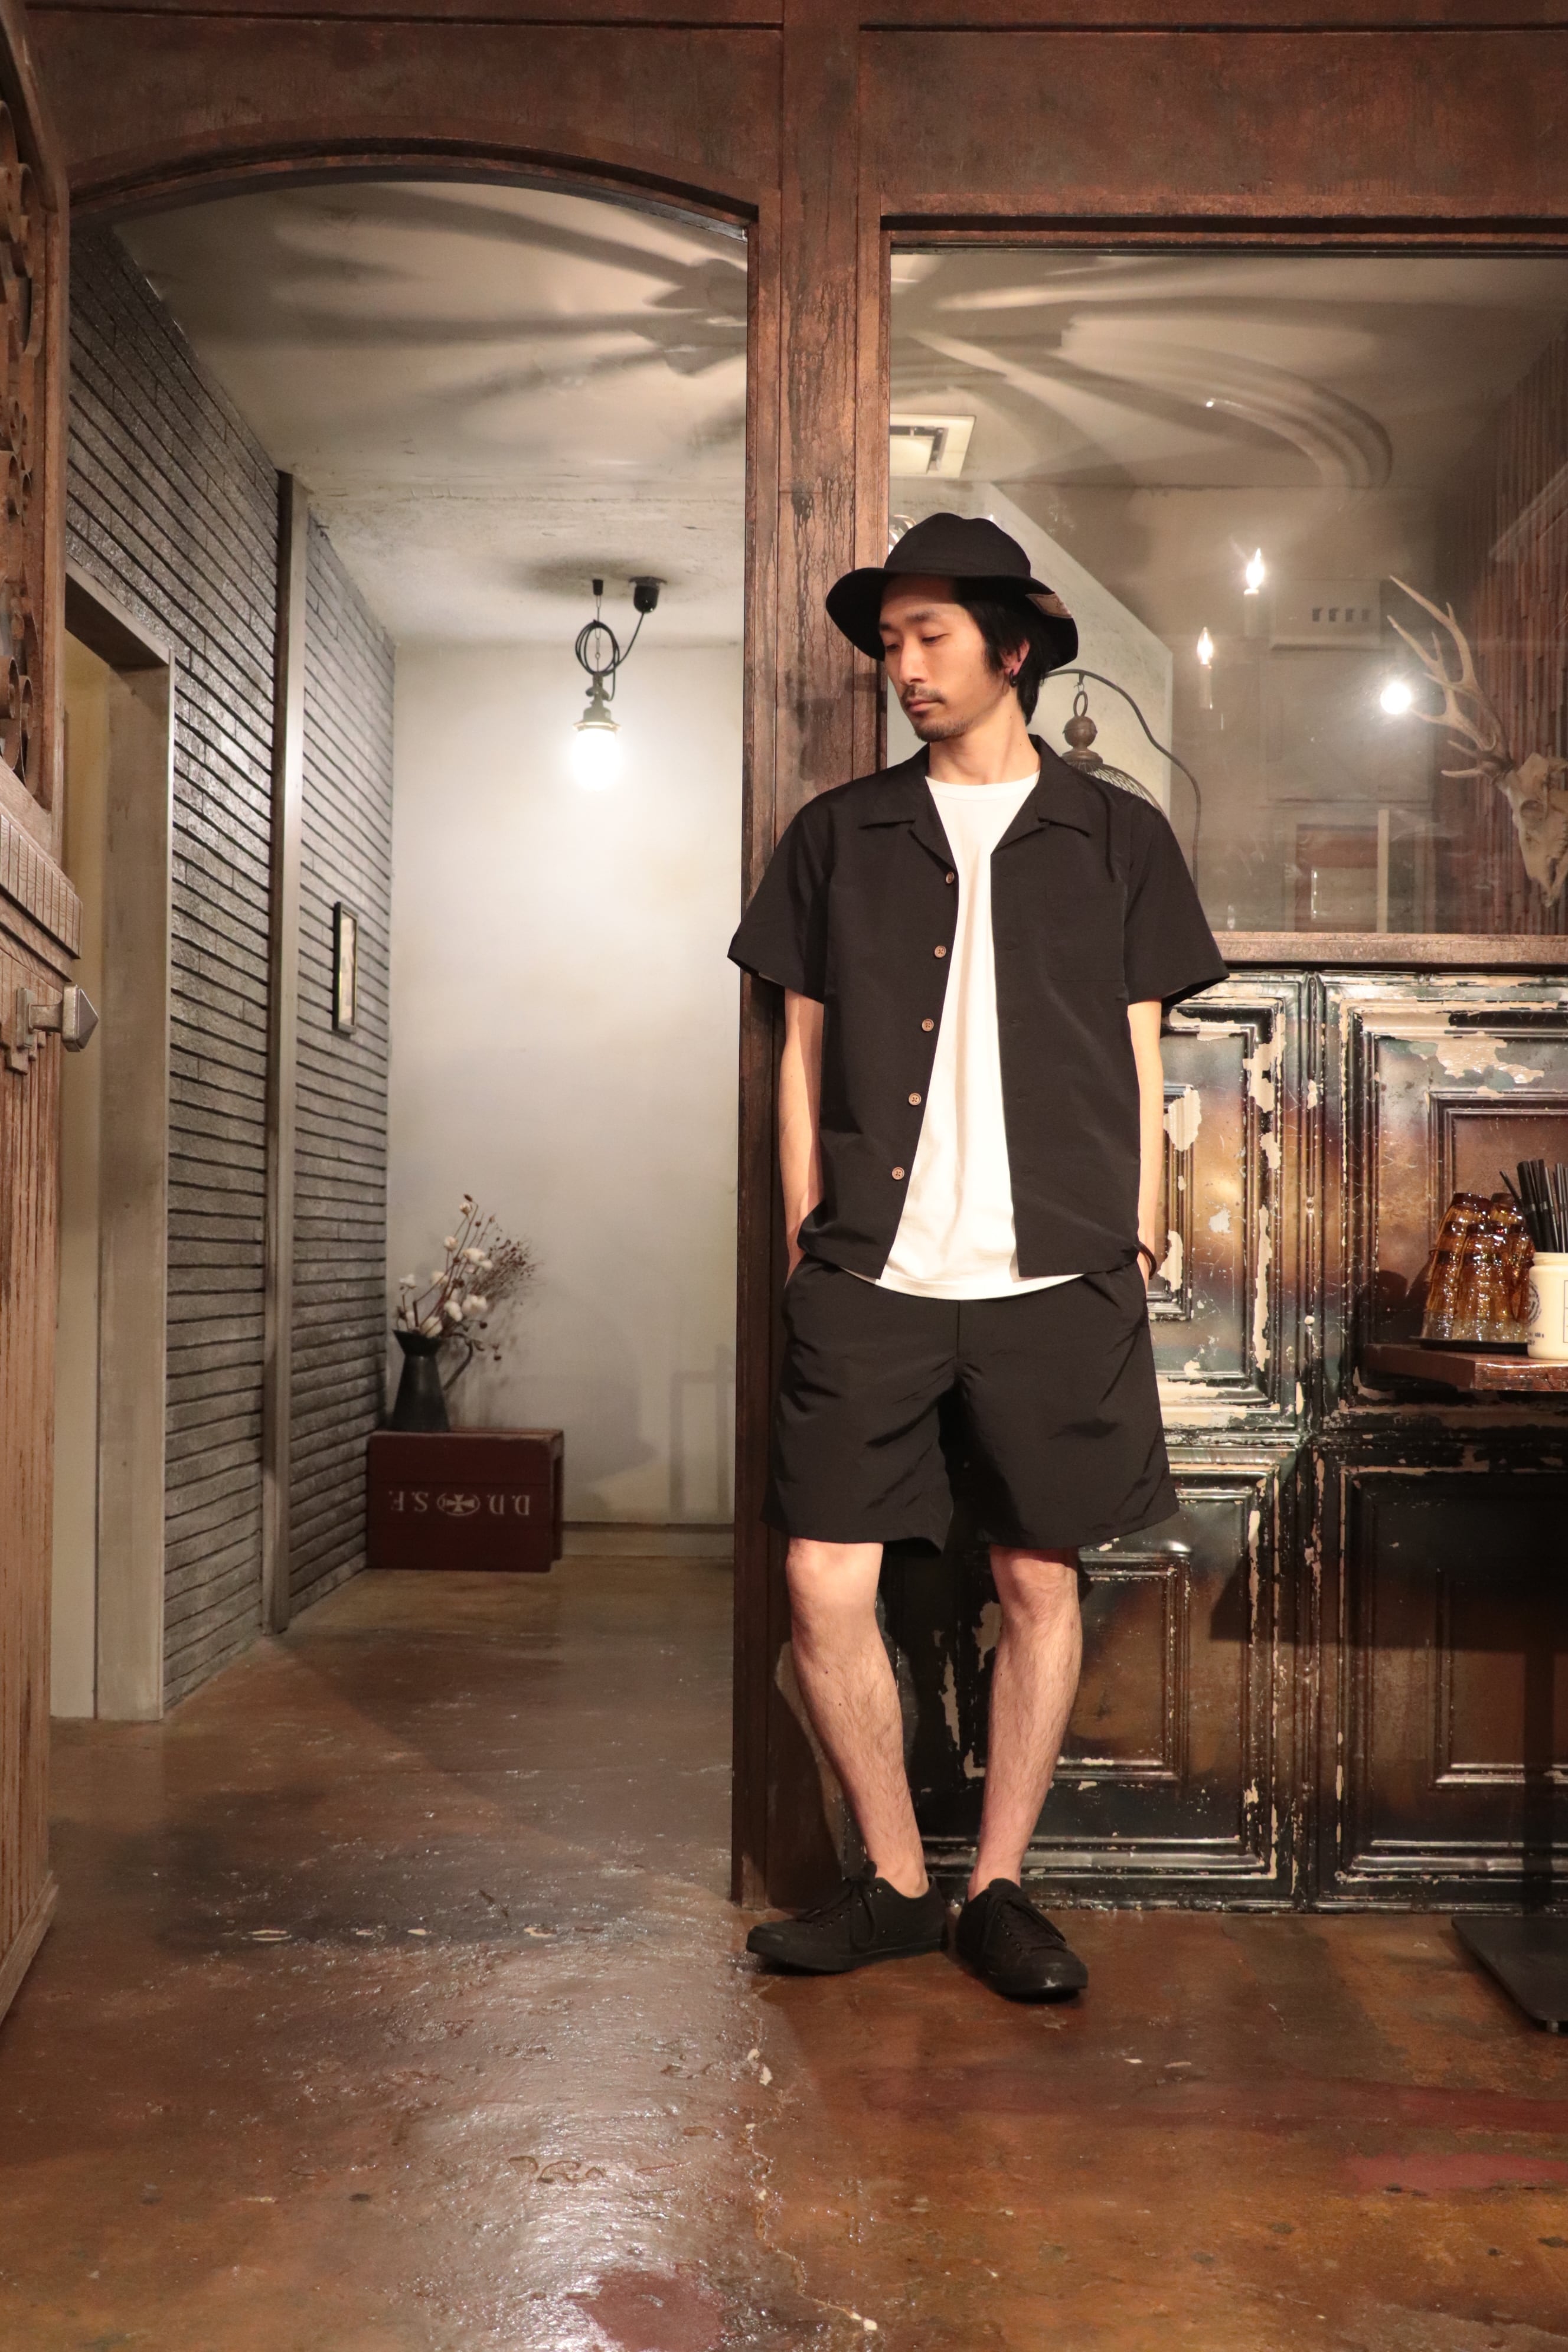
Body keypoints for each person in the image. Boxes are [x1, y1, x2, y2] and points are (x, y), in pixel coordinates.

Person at [727, 512, 1227, 1999]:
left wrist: (1137, 1225)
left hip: (1053, 1268)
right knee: (821, 1582)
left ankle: (995, 1887)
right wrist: (807, 1243)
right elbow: (800, 1055)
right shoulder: (835, 837)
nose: (903, 665)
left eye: (929, 636)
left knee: (1035, 1581)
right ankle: (891, 1883)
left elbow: (1141, 1049)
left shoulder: (1117, 837)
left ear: (1011, 648)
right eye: (888, 641)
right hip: (869, 1271)